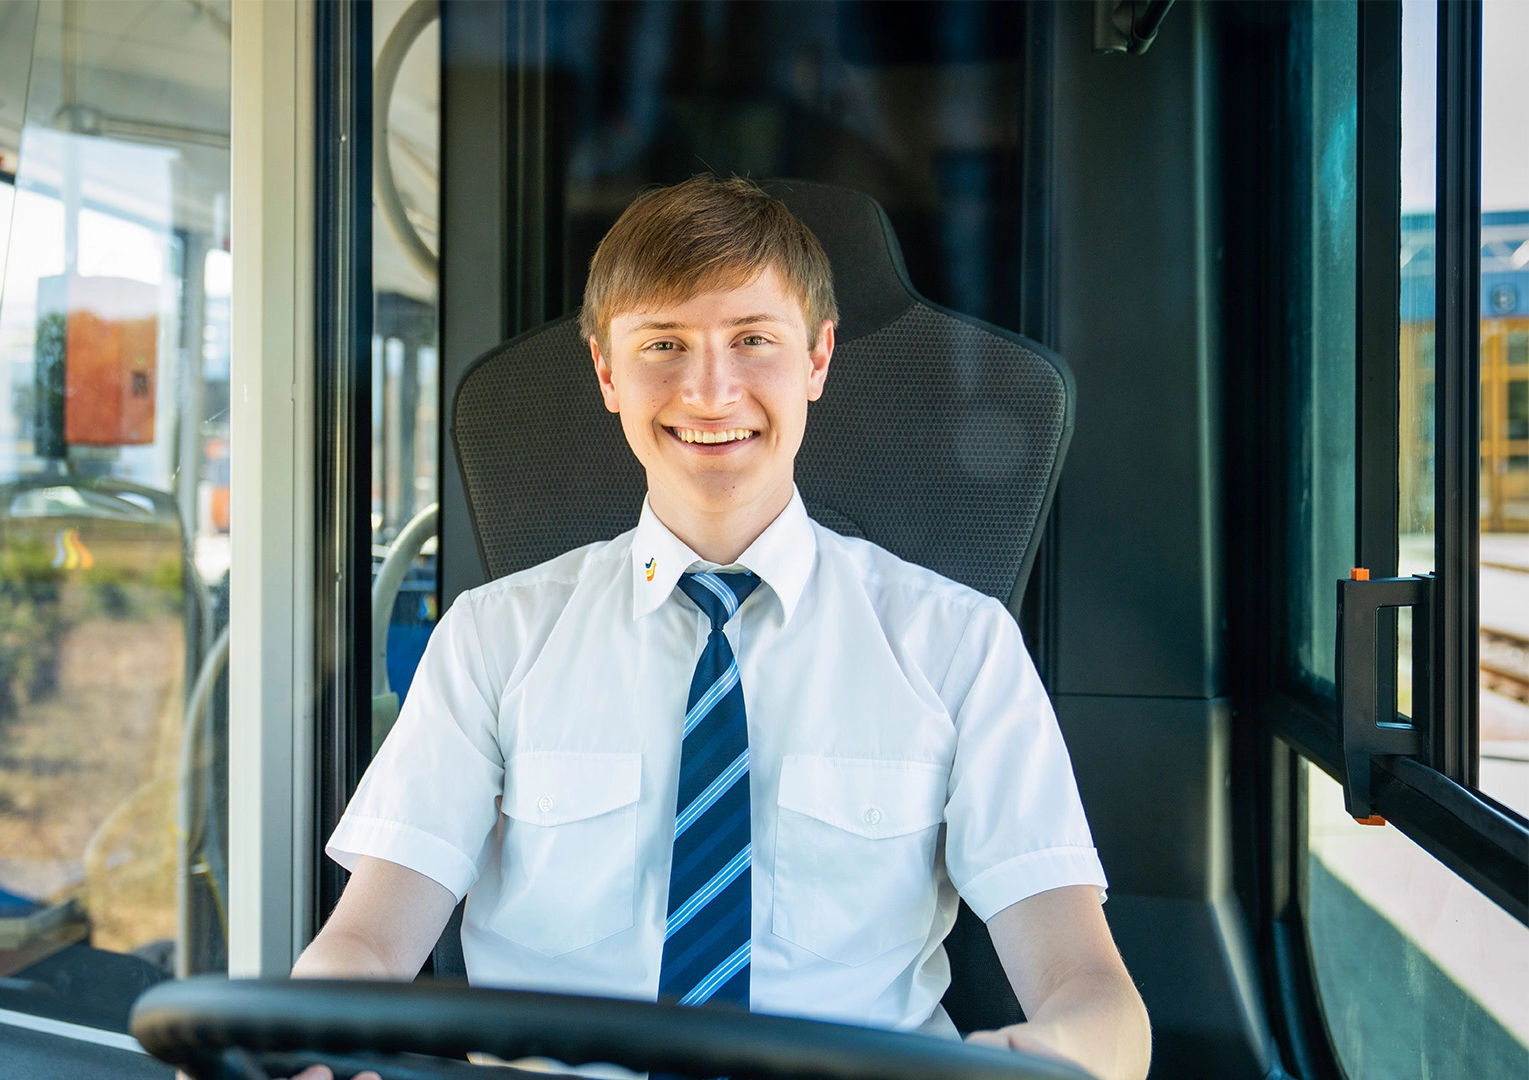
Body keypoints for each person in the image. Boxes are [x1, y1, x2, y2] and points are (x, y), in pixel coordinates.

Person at [294, 175, 1151, 1080]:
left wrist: (1061, 1055)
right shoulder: (492, 640)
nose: (710, 391)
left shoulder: (958, 646)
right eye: (665, 344)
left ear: (818, 359)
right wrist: (304, 1046)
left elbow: (1088, 984)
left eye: (753, 340)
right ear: (607, 373)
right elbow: (367, 943)